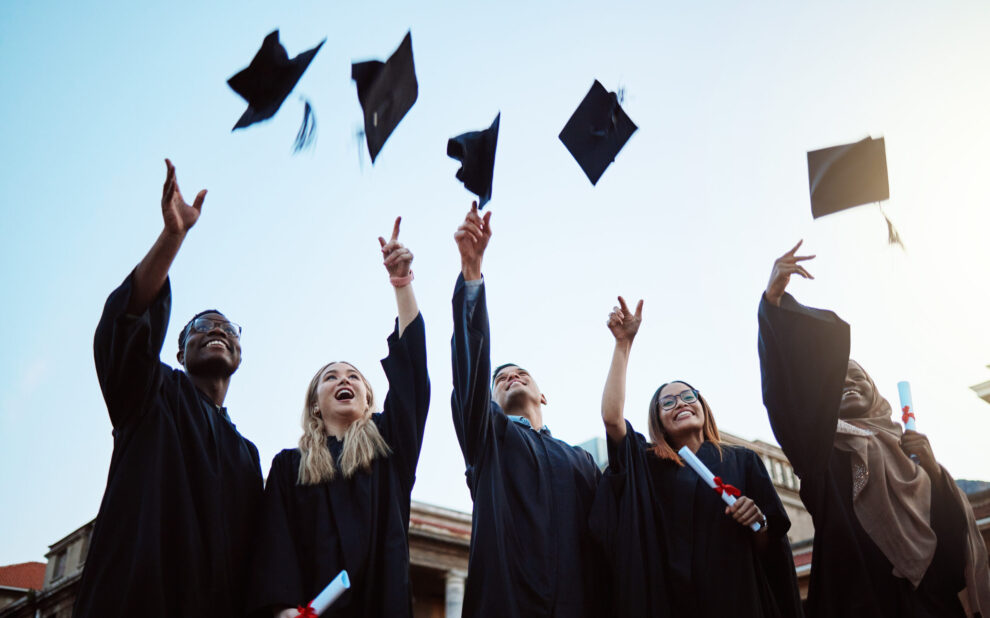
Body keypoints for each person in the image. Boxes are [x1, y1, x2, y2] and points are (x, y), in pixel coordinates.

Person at [757, 241, 990, 618]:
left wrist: (931, 469)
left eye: (858, 377)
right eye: (838, 381)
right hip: (861, 601)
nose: (849, 383)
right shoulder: (820, 450)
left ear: (875, 390)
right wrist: (772, 305)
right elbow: (783, 400)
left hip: (929, 603)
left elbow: (950, 544)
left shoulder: (910, 451)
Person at [73, 160, 264, 618]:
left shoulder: (247, 456)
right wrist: (173, 237)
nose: (217, 329)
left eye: (227, 328)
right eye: (201, 326)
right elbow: (127, 322)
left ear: (239, 354)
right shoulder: (150, 392)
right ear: (179, 353)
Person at [248, 217, 429, 618]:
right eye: (330, 377)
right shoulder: (288, 468)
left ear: (368, 399)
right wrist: (282, 610)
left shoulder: (390, 445)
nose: (342, 380)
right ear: (315, 403)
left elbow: (413, 376)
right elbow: (274, 546)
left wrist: (402, 284)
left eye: (353, 377)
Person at [589, 297, 803, 618]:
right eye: (668, 402)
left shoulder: (742, 460)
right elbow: (611, 418)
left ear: (703, 407)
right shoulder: (649, 465)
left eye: (688, 396)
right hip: (674, 602)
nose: (680, 403)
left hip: (738, 599)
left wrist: (756, 521)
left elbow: (769, 552)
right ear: (658, 420)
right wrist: (623, 345)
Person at [450, 203, 604, 617]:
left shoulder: (583, 462)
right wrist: (471, 276)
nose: (511, 377)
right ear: (490, 400)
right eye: (500, 378)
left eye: (521, 373)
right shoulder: (489, 440)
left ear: (544, 395)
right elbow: (468, 378)